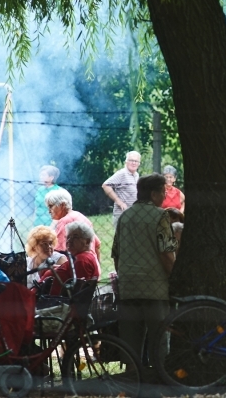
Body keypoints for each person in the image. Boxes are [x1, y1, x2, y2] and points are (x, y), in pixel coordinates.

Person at [112, 174, 178, 359]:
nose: (165, 196)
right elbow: (166, 253)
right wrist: (173, 277)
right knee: (159, 340)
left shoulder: (125, 216)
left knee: (131, 344)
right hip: (154, 288)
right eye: (163, 191)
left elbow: (116, 254)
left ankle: (132, 373)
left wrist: (124, 276)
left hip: (128, 287)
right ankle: (158, 372)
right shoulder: (160, 215)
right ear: (153, 194)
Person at [39, 221, 100, 296]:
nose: (69, 240)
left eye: (75, 237)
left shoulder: (82, 260)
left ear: (87, 242)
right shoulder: (82, 257)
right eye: (68, 237)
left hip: (52, 300)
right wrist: (58, 268)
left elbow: (78, 292)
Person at [46, 188, 101, 261]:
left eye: (51, 206)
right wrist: (97, 266)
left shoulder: (65, 221)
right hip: (90, 261)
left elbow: (56, 252)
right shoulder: (80, 216)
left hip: (77, 264)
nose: (49, 211)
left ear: (62, 205)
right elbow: (97, 246)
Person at [102, 150, 141, 224]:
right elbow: (105, 185)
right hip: (122, 214)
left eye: (136, 161)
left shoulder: (136, 175)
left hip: (134, 214)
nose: (133, 163)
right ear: (126, 162)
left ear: (139, 164)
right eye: (131, 160)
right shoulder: (122, 173)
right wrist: (119, 202)